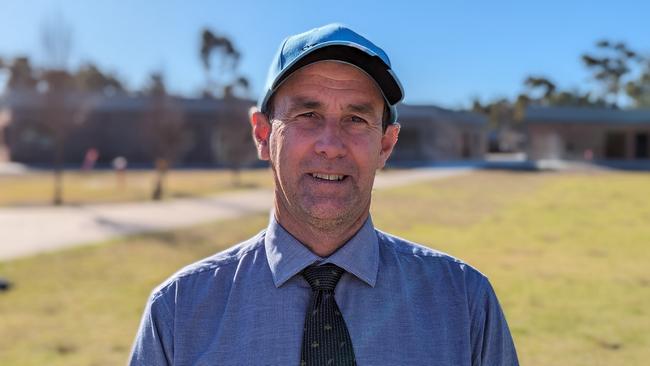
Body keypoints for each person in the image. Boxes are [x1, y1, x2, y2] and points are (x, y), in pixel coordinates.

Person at [130, 23, 519, 366]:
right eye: (307, 116)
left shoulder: (466, 305)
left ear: (385, 144)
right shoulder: (179, 312)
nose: (331, 145)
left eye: (356, 118)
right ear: (263, 134)